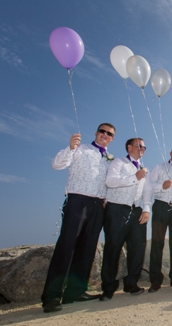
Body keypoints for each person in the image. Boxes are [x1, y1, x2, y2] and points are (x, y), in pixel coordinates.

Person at [41, 123, 116, 313]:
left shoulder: (110, 159)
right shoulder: (80, 149)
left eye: (109, 134)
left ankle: (75, 291)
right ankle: (52, 296)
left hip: (99, 205)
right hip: (77, 201)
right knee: (66, 247)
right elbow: (57, 164)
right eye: (103, 132)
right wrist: (70, 147)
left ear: (112, 138)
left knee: (87, 249)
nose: (105, 135)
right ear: (96, 133)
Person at [99, 138, 149, 302]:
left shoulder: (143, 168)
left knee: (137, 249)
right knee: (113, 247)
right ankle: (108, 287)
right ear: (129, 147)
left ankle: (131, 283)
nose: (142, 148)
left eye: (144, 147)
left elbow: (146, 192)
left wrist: (147, 209)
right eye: (139, 145)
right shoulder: (118, 162)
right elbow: (110, 181)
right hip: (117, 208)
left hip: (137, 211)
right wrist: (134, 177)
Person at [142, 145, 172, 292]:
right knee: (157, 243)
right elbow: (149, 186)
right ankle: (155, 281)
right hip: (161, 207)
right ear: (170, 153)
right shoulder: (159, 167)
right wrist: (162, 186)